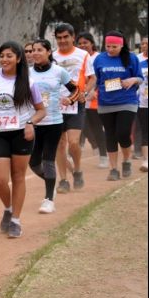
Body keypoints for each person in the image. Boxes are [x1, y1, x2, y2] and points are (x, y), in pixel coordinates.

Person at [0, 42, 46, 237]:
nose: (5, 59)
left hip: (22, 133)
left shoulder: (28, 82)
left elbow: (41, 110)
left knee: (18, 176)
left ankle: (15, 220)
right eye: (2, 55)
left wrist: (31, 123)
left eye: (9, 56)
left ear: (19, 59)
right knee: (0, 179)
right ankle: (8, 207)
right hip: (0, 133)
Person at [86, 31, 144, 180]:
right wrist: (92, 90)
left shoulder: (131, 58)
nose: (110, 49)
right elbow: (96, 80)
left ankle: (126, 161)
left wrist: (132, 80)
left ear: (121, 45)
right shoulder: (99, 59)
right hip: (105, 102)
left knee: (123, 133)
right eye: (108, 46)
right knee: (110, 135)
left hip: (127, 101)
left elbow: (140, 77)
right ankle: (113, 169)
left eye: (114, 47)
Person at [28, 39, 77, 214]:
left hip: (54, 122)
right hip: (33, 123)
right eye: (33, 50)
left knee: (48, 159)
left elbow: (76, 89)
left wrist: (70, 99)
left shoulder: (59, 71)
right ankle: (52, 183)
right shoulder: (27, 73)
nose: (35, 53)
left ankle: (49, 199)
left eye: (39, 50)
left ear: (49, 52)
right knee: (33, 163)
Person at [53, 23, 93, 193]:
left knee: (74, 143)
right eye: (59, 38)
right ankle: (63, 180)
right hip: (55, 105)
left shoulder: (83, 55)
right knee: (59, 144)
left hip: (76, 102)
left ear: (72, 37)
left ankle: (77, 169)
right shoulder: (51, 56)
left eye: (65, 37)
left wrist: (84, 91)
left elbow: (92, 78)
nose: (62, 41)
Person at [76, 32, 109, 168]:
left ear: (92, 44)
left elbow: (104, 78)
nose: (83, 45)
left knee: (96, 128)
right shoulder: (77, 57)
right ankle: (94, 147)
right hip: (79, 98)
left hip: (96, 99)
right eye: (80, 43)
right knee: (82, 127)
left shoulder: (99, 58)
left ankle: (103, 156)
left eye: (86, 42)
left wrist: (95, 92)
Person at [136, 36, 148, 171]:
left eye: (147, 43)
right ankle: (146, 160)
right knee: (145, 130)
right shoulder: (137, 59)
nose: (144, 45)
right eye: (143, 43)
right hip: (142, 102)